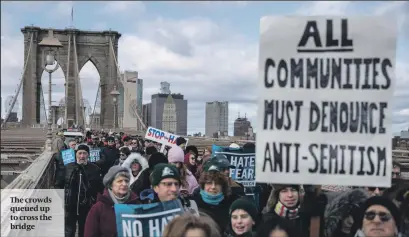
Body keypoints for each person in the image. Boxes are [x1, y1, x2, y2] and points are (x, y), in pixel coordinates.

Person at [56, 144, 104, 237]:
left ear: (88, 155)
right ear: (76, 154)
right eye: (80, 153)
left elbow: (100, 188)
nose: (82, 156)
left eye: (84, 153)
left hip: (87, 207)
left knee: (85, 230)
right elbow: (58, 185)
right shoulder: (68, 167)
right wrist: (65, 199)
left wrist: (94, 201)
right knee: (69, 231)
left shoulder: (95, 169)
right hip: (70, 206)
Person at [84, 166, 140, 237]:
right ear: (110, 184)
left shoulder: (137, 205)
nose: (124, 184)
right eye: (120, 181)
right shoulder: (98, 209)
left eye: (126, 181)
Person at [191, 169, 239, 234]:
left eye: (217, 183)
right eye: (209, 183)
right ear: (203, 185)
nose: (213, 187)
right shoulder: (193, 202)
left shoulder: (232, 202)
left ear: (223, 186)